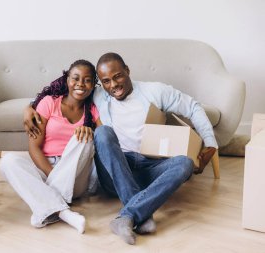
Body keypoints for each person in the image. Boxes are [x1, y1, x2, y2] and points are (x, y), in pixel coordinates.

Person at [24, 53, 217, 244]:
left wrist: (210, 143)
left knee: (185, 163)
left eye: (117, 76)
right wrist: (30, 106)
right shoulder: (97, 94)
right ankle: (141, 213)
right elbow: (61, 88)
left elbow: (192, 107)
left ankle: (129, 215)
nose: (113, 85)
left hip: (149, 166)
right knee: (103, 133)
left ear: (127, 70)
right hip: (114, 170)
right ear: (100, 83)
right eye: (106, 81)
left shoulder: (155, 91)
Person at [1, 59, 101, 234]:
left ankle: (46, 203)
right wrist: (53, 175)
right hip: (47, 168)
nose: (80, 84)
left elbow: (103, 139)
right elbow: (34, 147)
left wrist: (90, 131)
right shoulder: (49, 103)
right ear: (67, 80)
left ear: (93, 84)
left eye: (87, 80)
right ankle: (65, 213)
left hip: (75, 176)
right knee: (8, 161)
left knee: (85, 136)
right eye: (75, 78)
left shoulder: (92, 110)